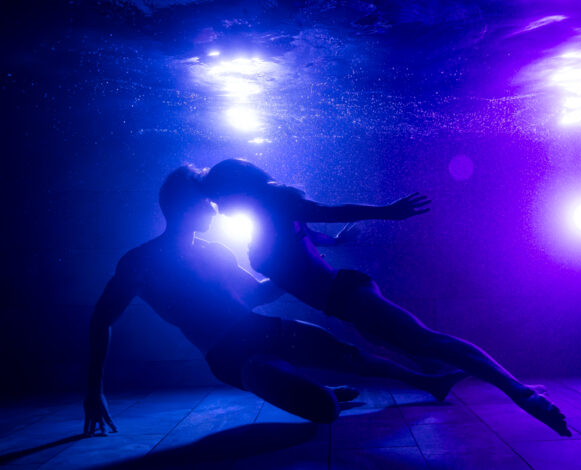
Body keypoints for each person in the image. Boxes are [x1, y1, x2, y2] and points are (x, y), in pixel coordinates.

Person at [83, 166, 465, 436]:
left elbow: (257, 293)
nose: (216, 209)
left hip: (262, 329)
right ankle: (320, 393)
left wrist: (295, 266)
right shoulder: (140, 262)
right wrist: (93, 390)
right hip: (233, 357)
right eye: (208, 203)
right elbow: (102, 319)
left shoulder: (217, 252)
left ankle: (429, 383)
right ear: (185, 206)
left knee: (349, 354)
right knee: (325, 409)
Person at [203, 158, 571, 437]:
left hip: (348, 295)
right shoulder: (267, 217)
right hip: (343, 302)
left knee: (429, 341)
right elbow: (311, 235)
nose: (218, 208)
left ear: (233, 188)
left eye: (218, 199)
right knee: (395, 343)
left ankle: (521, 393)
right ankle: (435, 380)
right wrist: (337, 241)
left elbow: (326, 213)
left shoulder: (275, 199)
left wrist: (387, 213)